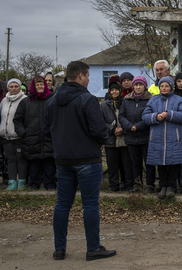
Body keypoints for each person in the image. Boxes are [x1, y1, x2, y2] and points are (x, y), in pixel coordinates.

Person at [44, 60, 115, 261]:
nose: (89, 80)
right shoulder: (88, 99)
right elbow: (99, 130)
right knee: (90, 204)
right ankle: (93, 248)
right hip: (87, 160)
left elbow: (46, 132)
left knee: (62, 204)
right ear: (81, 76)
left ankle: (59, 249)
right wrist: (103, 138)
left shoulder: (52, 101)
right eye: (89, 76)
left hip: (62, 161)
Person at [142, 76, 182, 200]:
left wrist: (169, 114)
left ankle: (171, 187)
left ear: (171, 87)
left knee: (173, 163)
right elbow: (145, 116)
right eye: (162, 86)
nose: (164, 88)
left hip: (174, 137)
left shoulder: (178, 100)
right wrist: (155, 117)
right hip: (157, 138)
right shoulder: (153, 100)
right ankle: (163, 186)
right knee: (160, 163)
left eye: (166, 86)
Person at [14, 76, 55, 190]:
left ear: (45, 85)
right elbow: (17, 120)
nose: (40, 86)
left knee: (49, 166)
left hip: (49, 139)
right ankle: (34, 188)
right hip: (31, 141)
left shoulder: (52, 100)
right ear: (33, 86)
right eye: (37, 85)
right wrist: (24, 133)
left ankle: (50, 188)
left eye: (42, 84)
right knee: (34, 167)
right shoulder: (26, 102)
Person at [118, 76, 153, 193]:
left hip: (146, 136)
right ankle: (137, 184)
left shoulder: (150, 99)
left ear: (145, 86)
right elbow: (121, 116)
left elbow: (150, 116)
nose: (138, 87)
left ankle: (150, 185)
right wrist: (129, 126)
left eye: (140, 85)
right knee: (135, 163)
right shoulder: (126, 100)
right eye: (136, 85)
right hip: (131, 137)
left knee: (149, 162)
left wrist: (138, 126)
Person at [0, 78, 28, 190]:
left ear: (19, 87)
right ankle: (12, 182)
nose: (14, 89)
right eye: (11, 86)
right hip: (6, 136)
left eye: (16, 86)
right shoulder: (4, 100)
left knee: (21, 160)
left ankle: (22, 182)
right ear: (8, 88)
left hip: (19, 136)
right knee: (10, 160)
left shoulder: (25, 99)